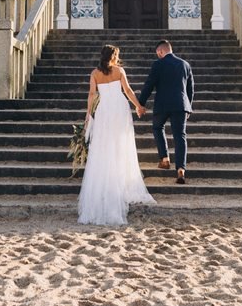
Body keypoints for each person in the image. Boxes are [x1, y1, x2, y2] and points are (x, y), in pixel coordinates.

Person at [77, 44, 155, 225]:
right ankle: (122, 179)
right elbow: (127, 91)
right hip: (119, 108)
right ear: (113, 56)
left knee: (104, 144)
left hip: (105, 109)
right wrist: (138, 105)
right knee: (121, 143)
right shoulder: (119, 70)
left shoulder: (95, 73)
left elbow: (91, 94)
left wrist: (88, 114)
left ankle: (108, 181)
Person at [138, 39, 193, 185]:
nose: (158, 56)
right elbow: (190, 89)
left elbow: (149, 84)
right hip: (180, 105)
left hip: (162, 104)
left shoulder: (158, 64)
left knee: (157, 127)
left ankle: (164, 159)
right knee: (180, 136)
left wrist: (140, 103)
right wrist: (189, 107)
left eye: (158, 53)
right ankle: (181, 169)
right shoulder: (185, 64)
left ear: (161, 51)